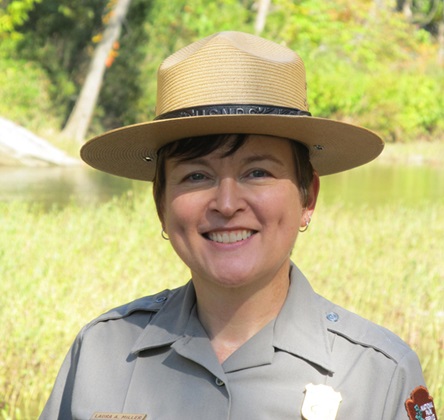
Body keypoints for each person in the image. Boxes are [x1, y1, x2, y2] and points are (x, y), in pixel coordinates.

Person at [41, 31, 436, 420]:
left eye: (258, 171)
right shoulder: (101, 352)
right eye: (196, 176)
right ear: (161, 203)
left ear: (308, 197)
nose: (227, 204)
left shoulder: (378, 374)